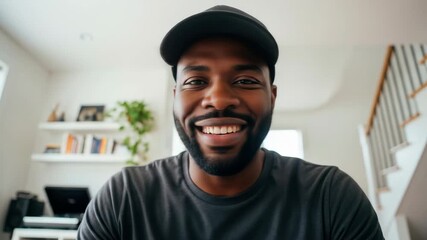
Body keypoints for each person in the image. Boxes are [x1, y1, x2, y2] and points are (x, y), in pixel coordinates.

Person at [77, 5, 384, 240]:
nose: (219, 99)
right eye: (196, 80)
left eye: (246, 80)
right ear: (175, 96)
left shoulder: (330, 198)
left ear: (272, 96)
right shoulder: (124, 199)